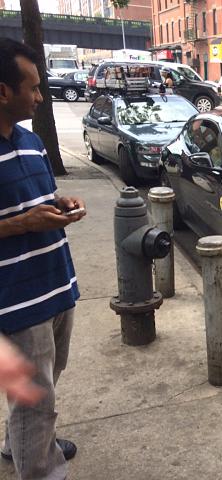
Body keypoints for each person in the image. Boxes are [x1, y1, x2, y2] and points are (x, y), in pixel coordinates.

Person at [0, 38, 86, 480]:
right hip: (16, 300)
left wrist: (63, 203)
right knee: (36, 398)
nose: (39, 96)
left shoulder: (31, 140)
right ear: (3, 91)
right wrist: (21, 225)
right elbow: (23, 218)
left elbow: (40, 199)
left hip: (55, 284)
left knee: (44, 384)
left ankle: (21, 442)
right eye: (32, 88)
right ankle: (40, 468)